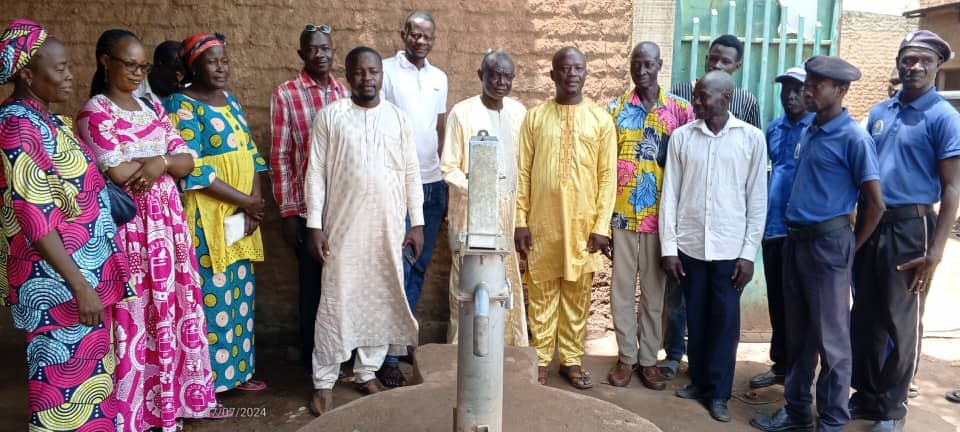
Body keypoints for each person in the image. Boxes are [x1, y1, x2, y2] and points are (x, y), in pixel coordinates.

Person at [76, 29, 218, 431]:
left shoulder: (151, 108)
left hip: (168, 231)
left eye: (144, 66)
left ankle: (168, 407)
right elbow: (118, 172)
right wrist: (163, 161)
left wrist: (159, 163)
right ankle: (134, 414)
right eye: (130, 65)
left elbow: (188, 159)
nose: (139, 73)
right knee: (134, 318)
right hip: (131, 234)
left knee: (170, 311)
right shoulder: (95, 112)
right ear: (106, 61)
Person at [0, 19, 134, 431]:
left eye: (69, 66)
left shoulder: (44, 119)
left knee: (91, 388)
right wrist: (80, 287)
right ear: (26, 73)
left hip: (83, 279)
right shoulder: (16, 126)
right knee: (64, 395)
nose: (71, 75)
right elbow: (34, 217)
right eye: (59, 68)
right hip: (62, 287)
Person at [750, 55, 885, 432]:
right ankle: (797, 415)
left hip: (829, 246)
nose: (808, 89)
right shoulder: (810, 129)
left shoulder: (854, 137)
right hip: (796, 244)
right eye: (808, 82)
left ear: (840, 90)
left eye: (817, 84)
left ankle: (831, 421)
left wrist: (850, 247)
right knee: (799, 338)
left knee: (833, 344)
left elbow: (874, 202)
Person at [304, 46, 423, 416]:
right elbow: (316, 175)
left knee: (380, 295)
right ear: (349, 74)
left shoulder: (398, 119)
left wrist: (416, 222)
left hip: (387, 227)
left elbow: (410, 173)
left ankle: (366, 370)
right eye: (359, 72)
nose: (367, 78)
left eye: (373, 72)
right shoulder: (331, 117)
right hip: (343, 227)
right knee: (336, 299)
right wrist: (314, 226)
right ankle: (324, 381)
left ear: (380, 76)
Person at [851, 30, 960, 432]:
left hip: (912, 228)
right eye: (908, 60)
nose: (914, 67)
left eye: (924, 61)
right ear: (898, 63)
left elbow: (952, 188)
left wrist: (936, 251)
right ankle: (865, 395)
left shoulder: (944, 118)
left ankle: (893, 408)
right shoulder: (881, 111)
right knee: (865, 315)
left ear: (937, 67)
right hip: (872, 223)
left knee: (902, 320)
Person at [164, 32, 269, 394]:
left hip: (241, 215)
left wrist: (254, 201)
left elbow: (251, 154)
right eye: (213, 61)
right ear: (194, 65)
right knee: (212, 295)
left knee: (240, 292)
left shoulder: (231, 100)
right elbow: (192, 168)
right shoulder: (181, 105)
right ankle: (209, 385)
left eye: (225, 60)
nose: (221, 67)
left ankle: (239, 371)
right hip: (206, 219)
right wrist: (245, 200)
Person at [659, 70, 767, 422]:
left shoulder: (750, 139)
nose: (696, 102)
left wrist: (748, 255)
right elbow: (670, 196)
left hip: (729, 251)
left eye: (703, 96)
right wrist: (669, 249)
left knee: (724, 324)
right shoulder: (681, 138)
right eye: (696, 95)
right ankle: (700, 382)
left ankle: (718, 393)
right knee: (698, 319)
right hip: (690, 247)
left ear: (725, 98)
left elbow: (757, 201)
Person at [515, 46, 616, 390]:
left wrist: (602, 227)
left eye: (578, 68)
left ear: (586, 74)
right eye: (565, 69)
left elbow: (607, 178)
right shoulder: (535, 118)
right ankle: (541, 359)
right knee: (541, 294)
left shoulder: (601, 121)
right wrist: (520, 220)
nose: (572, 74)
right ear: (553, 75)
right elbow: (522, 172)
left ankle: (571, 360)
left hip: (582, 227)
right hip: (542, 225)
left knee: (577, 296)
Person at [605, 41, 693, 390]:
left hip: (662, 219)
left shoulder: (681, 111)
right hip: (622, 216)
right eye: (636, 64)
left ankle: (648, 361)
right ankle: (626, 357)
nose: (642, 71)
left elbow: (689, 166)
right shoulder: (614, 110)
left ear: (660, 65)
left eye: (648, 64)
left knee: (655, 295)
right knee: (621, 292)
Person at [270, 23, 348, 371]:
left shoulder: (344, 93)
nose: (321, 54)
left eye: (327, 48)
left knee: (343, 284)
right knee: (313, 287)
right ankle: (313, 357)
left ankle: (342, 353)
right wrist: (288, 213)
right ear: (302, 54)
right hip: (307, 211)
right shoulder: (286, 95)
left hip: (344, 210)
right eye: (314, 49)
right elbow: (280, 158)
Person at [379, 9, 448, 386]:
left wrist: (439, 180)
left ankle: (401, 337)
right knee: (400, 266)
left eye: (427, 36)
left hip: (433, 184)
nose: (420, 41)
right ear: (403, 34)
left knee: (418, 266)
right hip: (401, 186)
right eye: (414, 34)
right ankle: (388, 355)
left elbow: (438, 130)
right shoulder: (387, 72)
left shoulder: (439, 78)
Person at [440, 50, 528, 346]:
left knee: (505, 278)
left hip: (508, 211)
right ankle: (461, 347)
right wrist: (478, 189)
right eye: (495, 75)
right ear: (481, 76)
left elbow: (524, 166)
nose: (502, 82)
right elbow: (448, 167)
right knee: (468, 278)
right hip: (470, 211)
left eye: (508, 76)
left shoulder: (518, 113)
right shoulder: (461, 113)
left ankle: (506, 346)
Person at [748, 66, 813, 390]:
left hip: (801, 234)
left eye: (797, 89)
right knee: (777, 301)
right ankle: (780, 364)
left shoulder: (816, 129)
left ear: (810, 92)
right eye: (785, 89)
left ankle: (799, 374)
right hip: (773, 229)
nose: (790, 95)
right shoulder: (773, 129)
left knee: (800, 306)